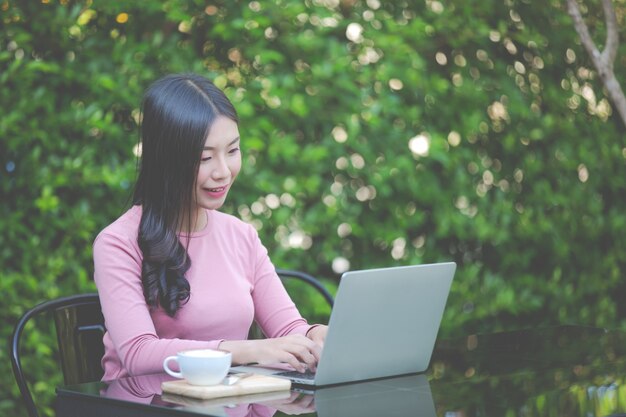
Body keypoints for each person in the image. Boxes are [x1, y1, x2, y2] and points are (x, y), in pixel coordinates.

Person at [93, 73, 328, 381]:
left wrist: (313, 335)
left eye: (232, 151)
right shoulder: (118, 243)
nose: (223, 172)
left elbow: (287, 329)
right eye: (205, 158)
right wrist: (250, 351)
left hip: (232, 403)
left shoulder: (241, 236)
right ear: (167, 161)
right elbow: (138, 354)